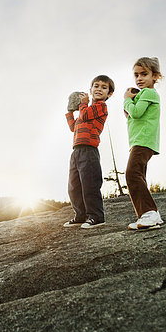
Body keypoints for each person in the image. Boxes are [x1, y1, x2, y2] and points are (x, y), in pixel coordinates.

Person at [64, 75, 115, 229]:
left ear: (109, 94)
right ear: (90, 89)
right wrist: (69, 112)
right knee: (74, 186)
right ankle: (81, 215)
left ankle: (96, 216)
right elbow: (74, 127)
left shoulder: (100, 107)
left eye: (104, 87)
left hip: (89, 150)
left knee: (89, 185)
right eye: (96, 86)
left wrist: (83, 104)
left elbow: (85, 115)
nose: (99, 89)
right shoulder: (84, 109)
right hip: (76, 151)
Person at [123, 57, 164, 230]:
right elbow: (129, 115)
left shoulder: (149, 93)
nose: (139, 78)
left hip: (143, 140)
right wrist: (130, 102)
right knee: (138, 175)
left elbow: (136, 114)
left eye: (144, 74)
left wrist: (126, 99)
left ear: (155, 76)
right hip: (141, 141)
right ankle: (147, 215)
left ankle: (150, 213)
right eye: (136, 75)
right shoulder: (143, 95)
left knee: (132, 174)